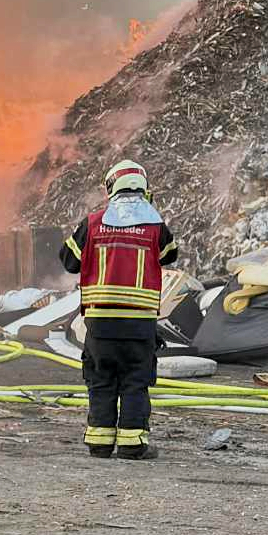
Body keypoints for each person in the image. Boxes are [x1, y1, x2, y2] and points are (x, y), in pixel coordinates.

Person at [60, 158, 179, 460]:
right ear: (144, 189)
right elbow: (170, 256)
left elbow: (68, 260)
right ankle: (132, 444)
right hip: (139, 325)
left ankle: (99, 444)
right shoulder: (155, 226)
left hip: (100, 323)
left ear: (111, 187)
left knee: (101, 380)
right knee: (135, 382)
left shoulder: (93, 222)